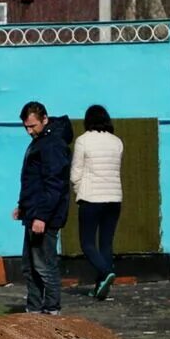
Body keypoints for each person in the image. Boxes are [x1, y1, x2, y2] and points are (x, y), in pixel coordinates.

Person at [13, 100, 70, 315]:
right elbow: (33, 181)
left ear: (44, 119)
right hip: (34, 213)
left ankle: (51, 309)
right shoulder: (40, 141)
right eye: (26, 127)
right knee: (30, 266)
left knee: (44, 265)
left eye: (32, 126)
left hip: (44, 217)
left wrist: (42, 217)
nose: (29, 131)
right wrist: (23, 207)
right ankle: (34, 309)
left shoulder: (52, 144)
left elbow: (54, 184)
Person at [72, 104, 124, 301]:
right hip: (114, 198)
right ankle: (101, 288)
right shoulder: (117, 142)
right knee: (106, 244)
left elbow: (76, 172)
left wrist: (79, 190)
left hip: (91, 198)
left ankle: (105, 272)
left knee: (87, 243)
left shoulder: (83, 141)